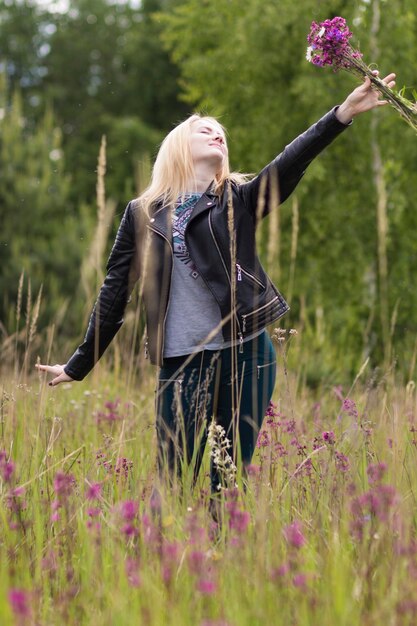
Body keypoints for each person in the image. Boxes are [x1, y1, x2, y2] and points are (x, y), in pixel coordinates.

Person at [36, 72, 396, 491]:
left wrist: (341, 115)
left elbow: (289, 163)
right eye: (204, 130)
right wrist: (80, 363)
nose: (217, 135)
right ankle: (170, 554)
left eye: (221, 133)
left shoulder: (237, 200)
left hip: (246, 355)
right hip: (181, 361)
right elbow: (116, 291)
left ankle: (222, 551)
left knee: (227, 479)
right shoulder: (141, 213)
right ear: (177, 148)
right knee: (174, 478)